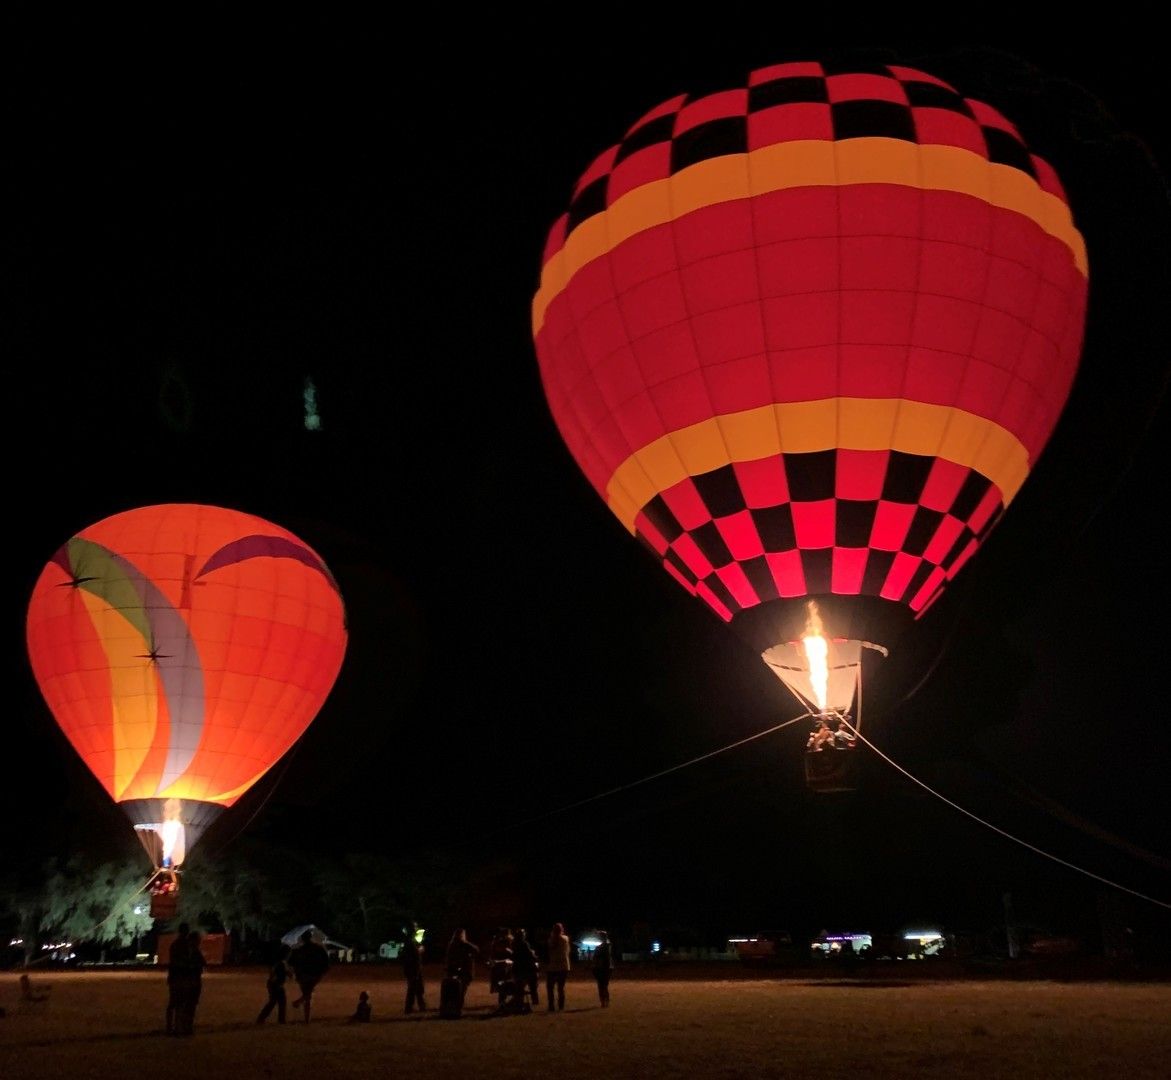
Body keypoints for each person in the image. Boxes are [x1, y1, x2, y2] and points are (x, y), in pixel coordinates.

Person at [289, 929, 331, 1024]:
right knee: (308, 995)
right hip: (315, 975)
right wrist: (323, 972)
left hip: (302, 975)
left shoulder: (299, 950)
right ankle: (304, 1013)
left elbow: (291, 962)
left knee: (307, 994)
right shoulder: (319, 949)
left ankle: (303, 1011)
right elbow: (326, 962)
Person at [174, 930, 206, 1036]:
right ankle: (182, 1028)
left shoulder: (195, 952)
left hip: (192, 982)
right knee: (185, 1006)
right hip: (188, 982)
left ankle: (186, 1027)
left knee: (190, 1006)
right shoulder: (188, 952)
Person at [164, 922, 191, 1035]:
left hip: (175, 976)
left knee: (174, 1003)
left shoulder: (175, 944)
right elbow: (183, 961)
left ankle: (171, 1027)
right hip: (181, 976)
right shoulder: (184, 945)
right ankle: (178, 1027)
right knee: (180, 1003)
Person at [256, 944, 292, 1024]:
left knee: (273, 1002)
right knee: (280, 1002)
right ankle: (280, 1020)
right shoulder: (282, 963)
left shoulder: (277, 962)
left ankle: (262, 1018)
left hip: (273, 984)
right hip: (277, 985)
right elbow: (284, 974)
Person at [444, 928, 480, 999]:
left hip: (454, 969)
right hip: (463, 970)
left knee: (455, 989)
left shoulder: (452, 944)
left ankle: (454, 1004)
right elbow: (476, 950)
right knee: (461, 989)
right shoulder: (463, 944)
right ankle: (457, 1004)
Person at [401, 921, 427, 1014]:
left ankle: (421, 1006)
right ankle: (409, 1008)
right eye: (415, 927)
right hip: (412, 969)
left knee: (419, 988)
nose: (416, 929)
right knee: (412, 988)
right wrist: (420, 950)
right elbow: (413, 954)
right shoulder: (409, 941)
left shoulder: (412, 940)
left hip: (415, 968)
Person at [511, 927, 540, 1008]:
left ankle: (519, 1001)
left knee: (519, 986)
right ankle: (534, 1000)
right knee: (532, 984)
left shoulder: (514, 943)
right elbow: (530, 955)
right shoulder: (524, 944)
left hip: (517, 967)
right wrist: (534, 955)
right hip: (526, 968)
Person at [545, 922, 571, 1012]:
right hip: (563, 966)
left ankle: (551, 1005)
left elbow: (549, 951)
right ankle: (561, 1006)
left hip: (553, 966)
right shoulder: (565, 939)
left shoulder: (551, 940)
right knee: (560, 987)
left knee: (550, 987)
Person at [591, 930, 615, 1007]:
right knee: (604, 985)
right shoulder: (608, 945)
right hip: (607, 967)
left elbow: (596, 957)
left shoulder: (602, 947)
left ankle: (603, 1001)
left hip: (602, 967)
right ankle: (605, 1000)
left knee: (601, 985)